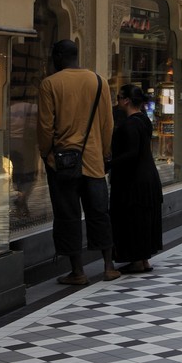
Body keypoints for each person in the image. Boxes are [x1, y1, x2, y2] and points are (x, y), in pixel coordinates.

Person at [36, 39, 116, 286]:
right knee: (99, 213)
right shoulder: (98, 81)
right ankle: (108, 266)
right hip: (93, 160)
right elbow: (107, 123)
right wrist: (104, 154)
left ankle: (78, 271)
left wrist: (46, 154)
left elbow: (45, 127)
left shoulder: (50, 84)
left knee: (67, 216)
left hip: (63, 163)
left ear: (58, 56)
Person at [108, 83, 163, 274]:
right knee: (143, 219)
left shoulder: (131, 124)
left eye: (118, 98)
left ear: (126, 100)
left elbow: (131, 153)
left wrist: (108, 164)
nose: (117, 102)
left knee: (134, 219)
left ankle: (138, 260)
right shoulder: (144, 120)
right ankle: (144, 259)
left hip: (135, 181)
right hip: (147, 177)